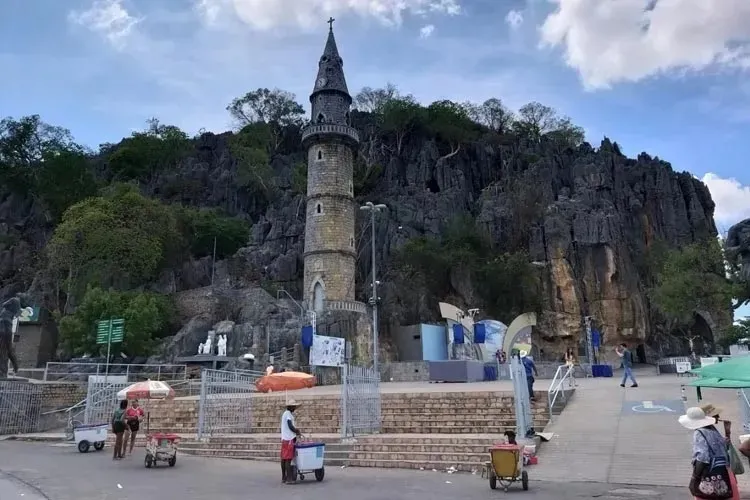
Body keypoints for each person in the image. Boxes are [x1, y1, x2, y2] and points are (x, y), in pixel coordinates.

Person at [679, 406, 739, 499]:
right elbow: (724, 448)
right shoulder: (712, 430)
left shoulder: (699, 433)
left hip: (708, 475)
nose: (718, 417)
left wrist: (694, 479)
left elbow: (703, 457)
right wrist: (727, 433)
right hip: (722, 473)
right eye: (716, 415)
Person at [280, 399, 302, 484]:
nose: (295, 408)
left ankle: (283, 477)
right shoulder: (288, 414)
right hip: (288, 439)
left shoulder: (285, 414)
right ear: (291, 407)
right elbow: (290, 425)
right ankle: (289, 479)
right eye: (294, 406)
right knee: (288, 459)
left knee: (284, 459)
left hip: (284, 439)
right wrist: (296, 431)